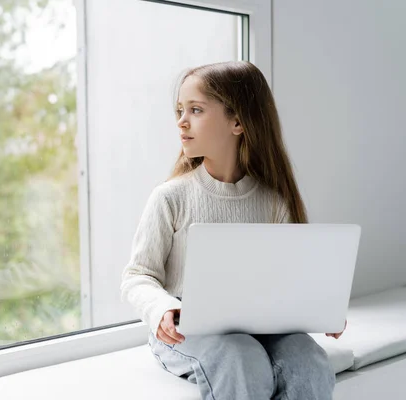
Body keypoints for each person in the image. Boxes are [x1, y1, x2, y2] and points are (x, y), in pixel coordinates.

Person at [120, 61, 346, 400]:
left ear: (237, 121)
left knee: (309, 360)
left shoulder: (273, 201)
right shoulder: (170, 197)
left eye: (195, 110)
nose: (181, 121)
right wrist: (162, 309)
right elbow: (138, 276)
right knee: (240, 357)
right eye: (180, 110)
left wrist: (319, 308)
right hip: (186, 327)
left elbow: (289, 278)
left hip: (259, 320)